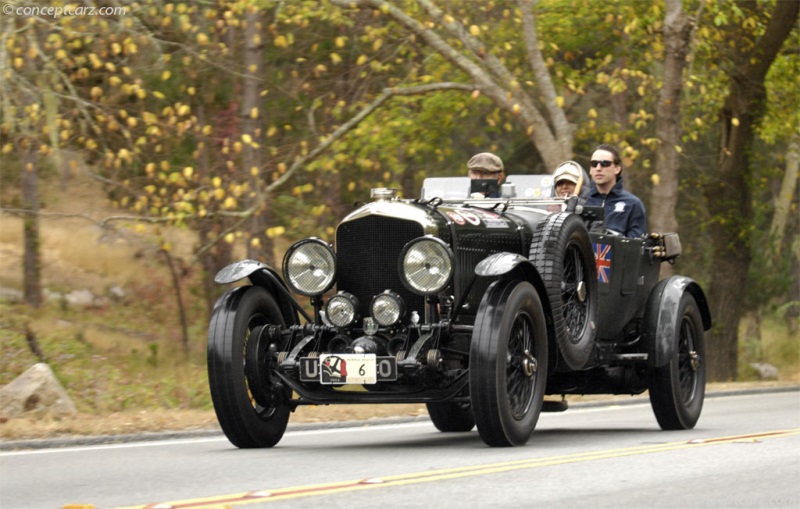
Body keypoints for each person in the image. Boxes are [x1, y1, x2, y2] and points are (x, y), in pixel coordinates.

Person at [585, 144, 647, 237]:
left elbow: (636, 246)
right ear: (590, 169)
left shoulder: (632, 204)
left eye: (605, 163)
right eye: (594, 164)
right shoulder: (581, 201)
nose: (598, 168)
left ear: (617, 169)